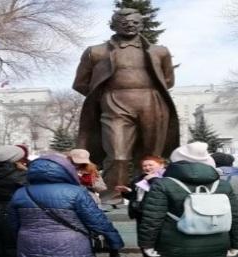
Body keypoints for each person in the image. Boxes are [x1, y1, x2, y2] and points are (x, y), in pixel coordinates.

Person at [72, 8, 180, 204]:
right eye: (124, 22)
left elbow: (167, 81)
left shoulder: (159, 51)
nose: (130, 25)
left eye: (135, 22)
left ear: (142, 24)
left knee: (151, 156)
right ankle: (111, 198)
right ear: (113, 25)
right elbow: (80, 83)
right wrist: (104, 97)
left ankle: (150, 196)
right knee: (117, 155)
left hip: (151, 103)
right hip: (114, 104)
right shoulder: (95, 52)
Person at [138, 142, 238, 257]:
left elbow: (152, 218)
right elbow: (236, 217)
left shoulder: (163, 184)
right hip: (217, 244)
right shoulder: (222, 185)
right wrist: (237, 245)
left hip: (175, 245)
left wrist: (147, 244)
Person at [9, 154, 124, 257]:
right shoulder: (76, 192)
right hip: (72, 246)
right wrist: (114, 242)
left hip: (29, 245)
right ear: (65, 170)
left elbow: (13, 224)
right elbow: (97, 221)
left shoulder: (21, 193)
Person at [115, 155, 165, 249]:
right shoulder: (138, 179)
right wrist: (126, 192)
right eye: (144, 166)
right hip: (140, 214)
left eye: (150, 165)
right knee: (143, 242)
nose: (147, 168)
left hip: (157, 216)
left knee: (157, 242)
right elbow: (135, 196)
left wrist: (152, 180)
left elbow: (162, 194)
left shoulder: (165, 179)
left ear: (161, 165)